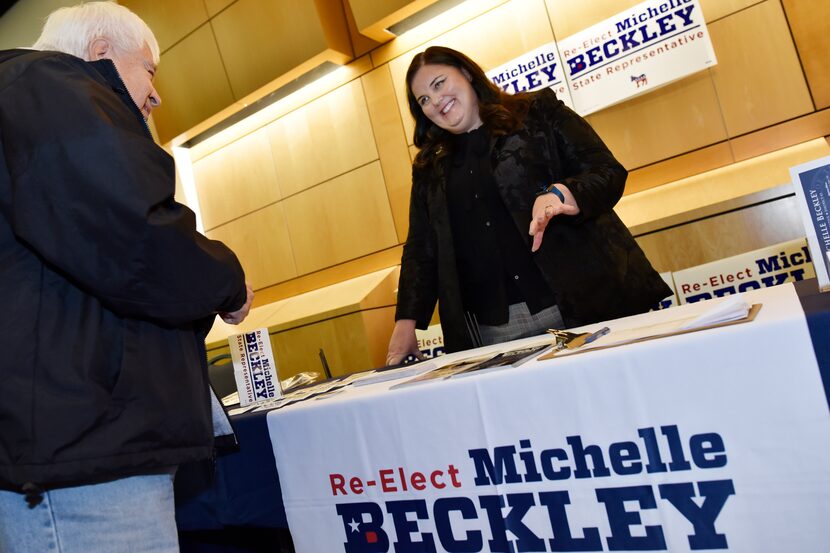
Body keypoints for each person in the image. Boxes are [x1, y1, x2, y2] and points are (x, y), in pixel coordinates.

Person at [0, 2, 254, 552]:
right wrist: (227, 279)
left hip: (72, 445)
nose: (156, 94)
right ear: (99, 53)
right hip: (84, 455)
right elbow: (134, 235)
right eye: (150, 71)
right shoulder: (48, 83)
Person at [386, 46, 670, 364]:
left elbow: (607, 171)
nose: (435, 101)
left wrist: (562, 194)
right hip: (492, 334)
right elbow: (421, 249)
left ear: (466, 73)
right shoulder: (428, 166)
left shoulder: (536, 112)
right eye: (423, 99)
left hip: (581, 305)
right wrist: (406, 323)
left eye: (439, 84)